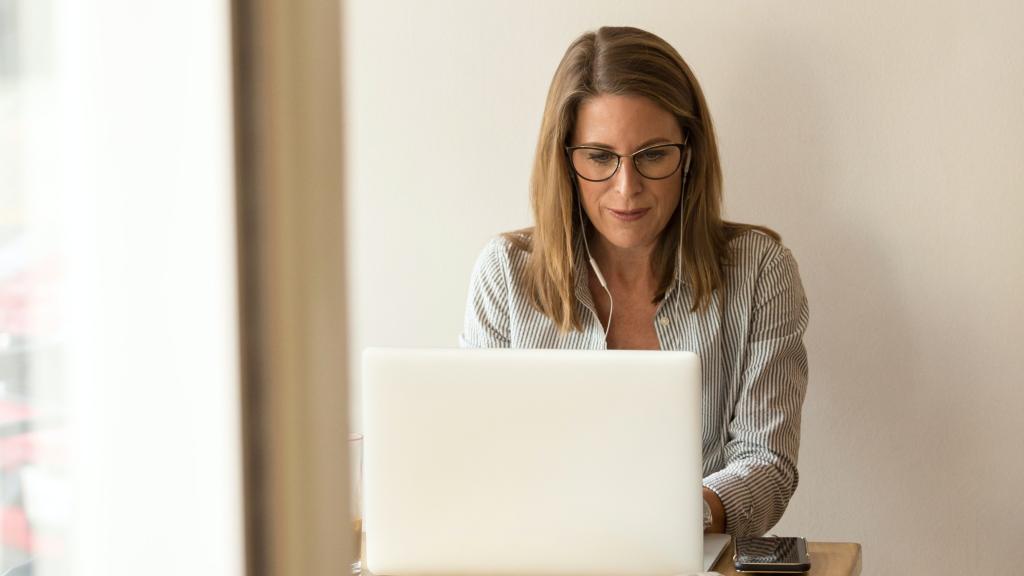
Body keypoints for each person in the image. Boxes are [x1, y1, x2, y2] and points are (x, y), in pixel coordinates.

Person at [459, 26, 809, 538]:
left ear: (688, 154)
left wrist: (676, 517)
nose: (627, 189)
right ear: (566, 160)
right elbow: (476, 457)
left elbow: (768, 463)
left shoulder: (760, 271)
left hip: (692, 556)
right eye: (600, 157)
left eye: (652, 155)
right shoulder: (505, 274)